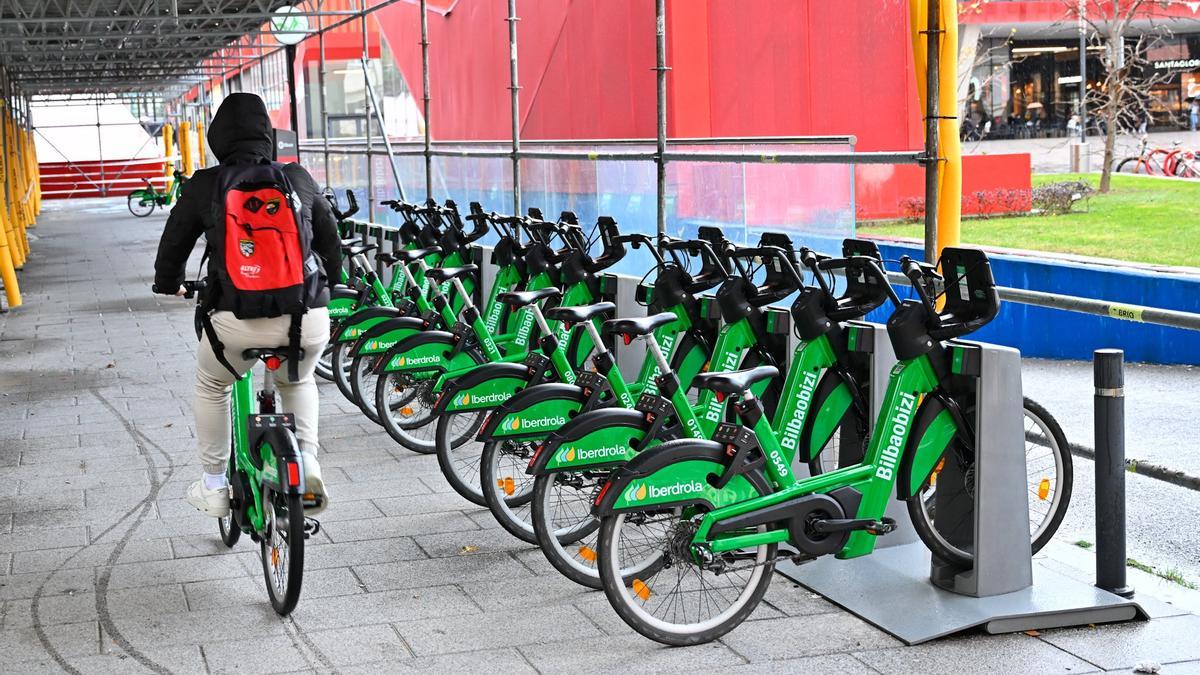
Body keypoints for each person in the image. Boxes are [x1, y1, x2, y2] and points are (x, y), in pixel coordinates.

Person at [153, 93, 341, 517]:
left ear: (218, 139)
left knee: (212, 385)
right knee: (299, 380)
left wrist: (169, 284)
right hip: (305, 317)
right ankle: (307, 461)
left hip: (236, 322)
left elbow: (172, 246)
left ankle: (215, 485)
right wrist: (337, 281)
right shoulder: (298, 178)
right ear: (267, 137)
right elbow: (331, 242)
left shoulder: (205, 184)